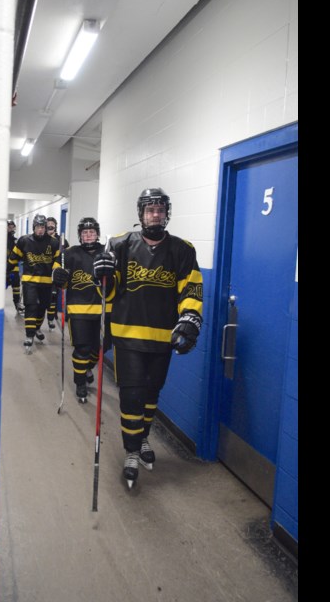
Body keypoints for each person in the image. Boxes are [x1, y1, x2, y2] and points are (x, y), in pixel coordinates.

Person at [92, 187, 203, 489]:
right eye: (150, 209)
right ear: (140, 213)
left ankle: (142, 440)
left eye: (160, 209)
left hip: (162, 337)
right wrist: (100, 275)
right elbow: (109, 292)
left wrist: (191, 317)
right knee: (131, 393)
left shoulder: (183, 249)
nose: (155, 214)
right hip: (127, 335)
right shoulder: (119, 244)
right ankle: (131, 450)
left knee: (152, 392)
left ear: (167, 213)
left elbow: (190, 289)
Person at [50, 217, 112, 403]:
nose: (88, 235)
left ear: (97, 234)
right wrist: (58, 277)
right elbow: (57, 272)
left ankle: (87, 368)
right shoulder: (69, 253)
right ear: (80, 235)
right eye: (85, 233)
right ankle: (80, 384)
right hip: (79, 309)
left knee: (102, 347)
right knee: (82, 348)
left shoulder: (107, 252)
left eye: (92, 232)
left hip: (103, 310)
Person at [8, 214, 63, 354]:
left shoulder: (54, 242)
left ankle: (37, 328)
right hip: (29, 280)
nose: (40, 230)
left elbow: (57, 260)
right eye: (38, 227)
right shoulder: (24, 241)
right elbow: (13, 257)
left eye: (43, 227)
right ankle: (29, 335)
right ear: (34, 227)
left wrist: (57, 271)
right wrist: (6, 270)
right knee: (31, 306)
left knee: (42, 308)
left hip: (46, 281)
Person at [45, 217, 70, 330]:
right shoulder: (42, 239)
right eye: (48, 226)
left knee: (53, 296)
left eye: (52, 226)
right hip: (44, 272)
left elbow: (68, 254)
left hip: (56, 273)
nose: (50, 228)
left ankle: (51, 317)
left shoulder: (62, 240)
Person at [6, 220, 23, 314]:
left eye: (13, 227)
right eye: (9, 227)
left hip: (14, 268)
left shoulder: (16, 240)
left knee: (16, 287)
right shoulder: (2, 239)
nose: (11, 229)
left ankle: (17, 304)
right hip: (4, 268)